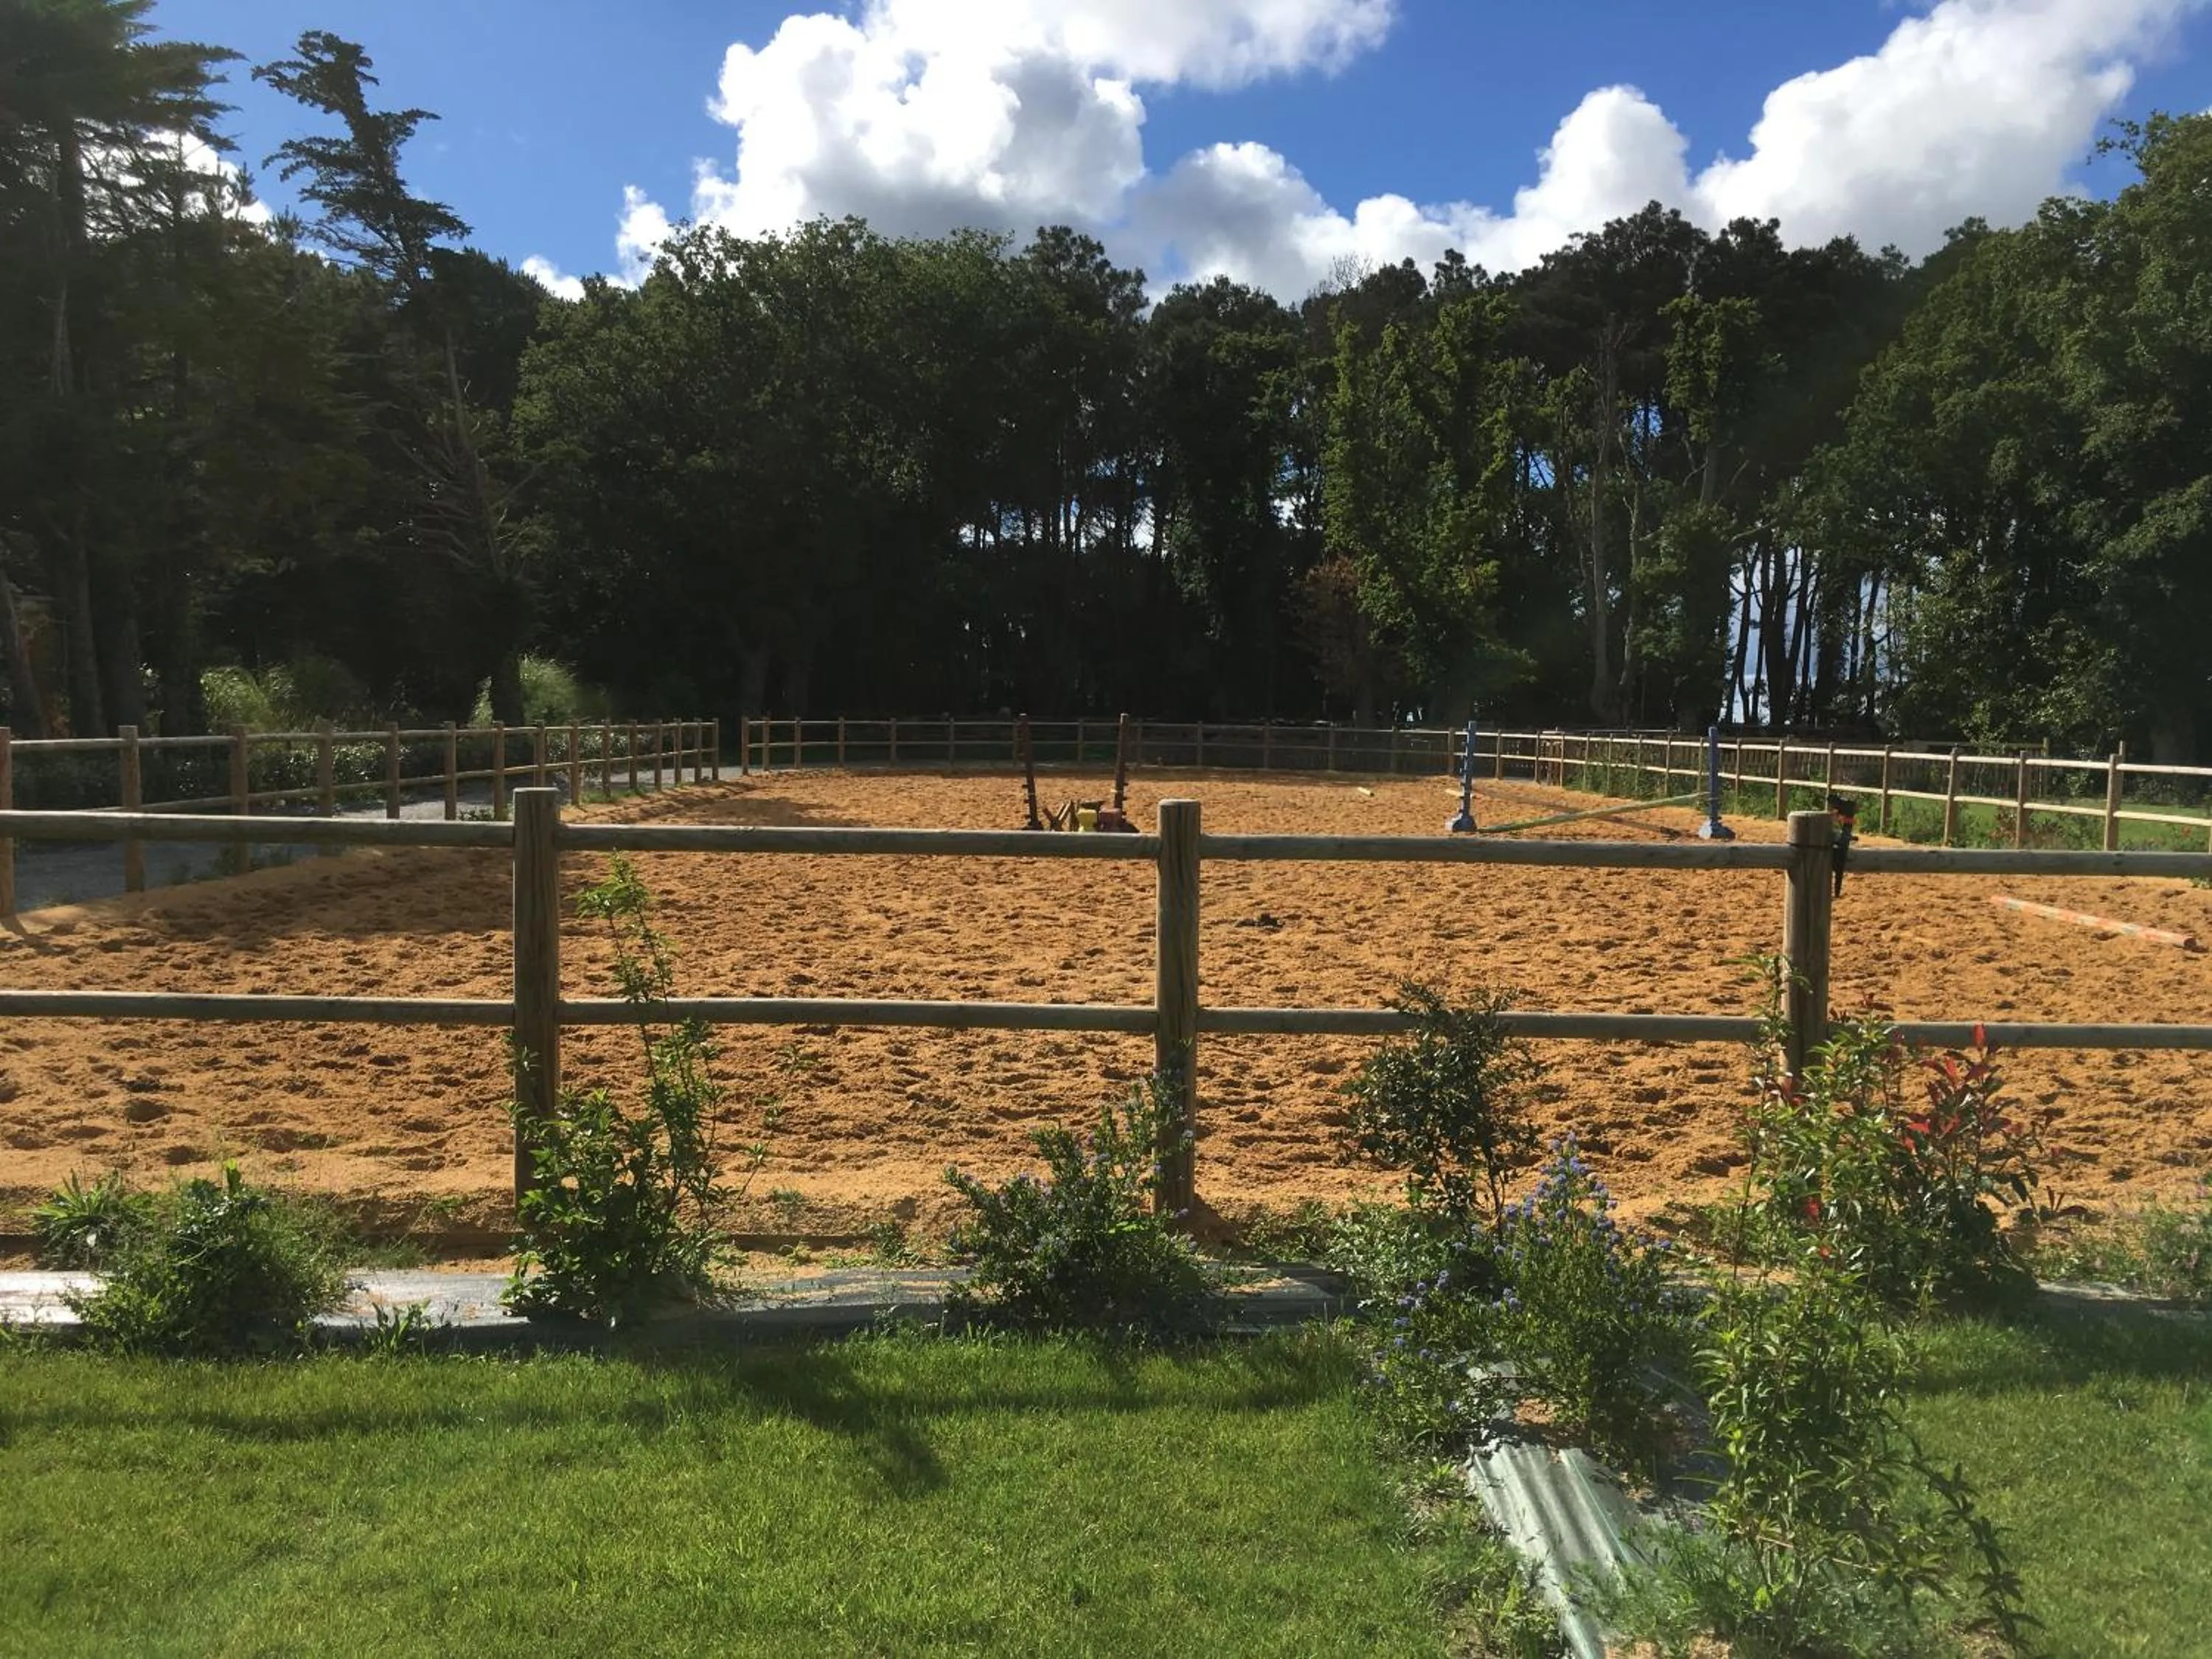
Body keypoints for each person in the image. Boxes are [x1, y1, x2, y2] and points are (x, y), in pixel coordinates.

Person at [1828, 793, 1857, 896]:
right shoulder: (1845, 812)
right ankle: (1837, 891)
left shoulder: (1840, 812)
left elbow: (1836, 818)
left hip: (1842, 841)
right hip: (1843, 838)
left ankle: (1836, 892)